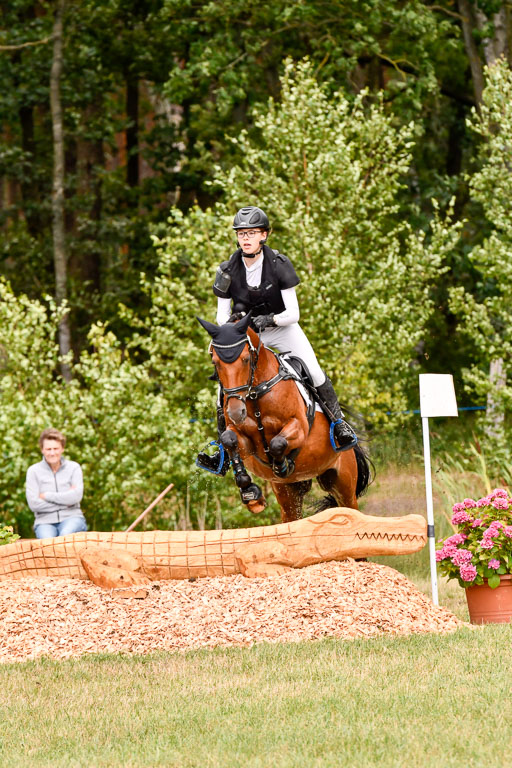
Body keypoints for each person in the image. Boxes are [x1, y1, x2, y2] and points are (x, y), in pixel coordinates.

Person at [196, 205, 357, 474]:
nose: (245, 238)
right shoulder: (226, 270)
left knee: (313, 371)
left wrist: (270, 320)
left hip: (282, 328)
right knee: (224, 387)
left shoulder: (279, 264)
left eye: (252, 233)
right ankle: (221, 452)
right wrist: (228, 336)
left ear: (264, 236)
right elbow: (223, 316)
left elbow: (293, 313)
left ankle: (339, 424)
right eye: (241, 233)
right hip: (246, 334)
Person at [26, 428, 88, 539]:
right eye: (48, 449)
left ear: (62, 449)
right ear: (42, 450)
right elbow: (34, 504)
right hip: (44, 522)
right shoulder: (33, 471)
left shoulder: (74, 468)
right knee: (48, 544)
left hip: (72, 517)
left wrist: (46, 496)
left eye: (56, 448)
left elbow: (76, 497)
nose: (52, 453)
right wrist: (66, 502)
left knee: (65, 537)